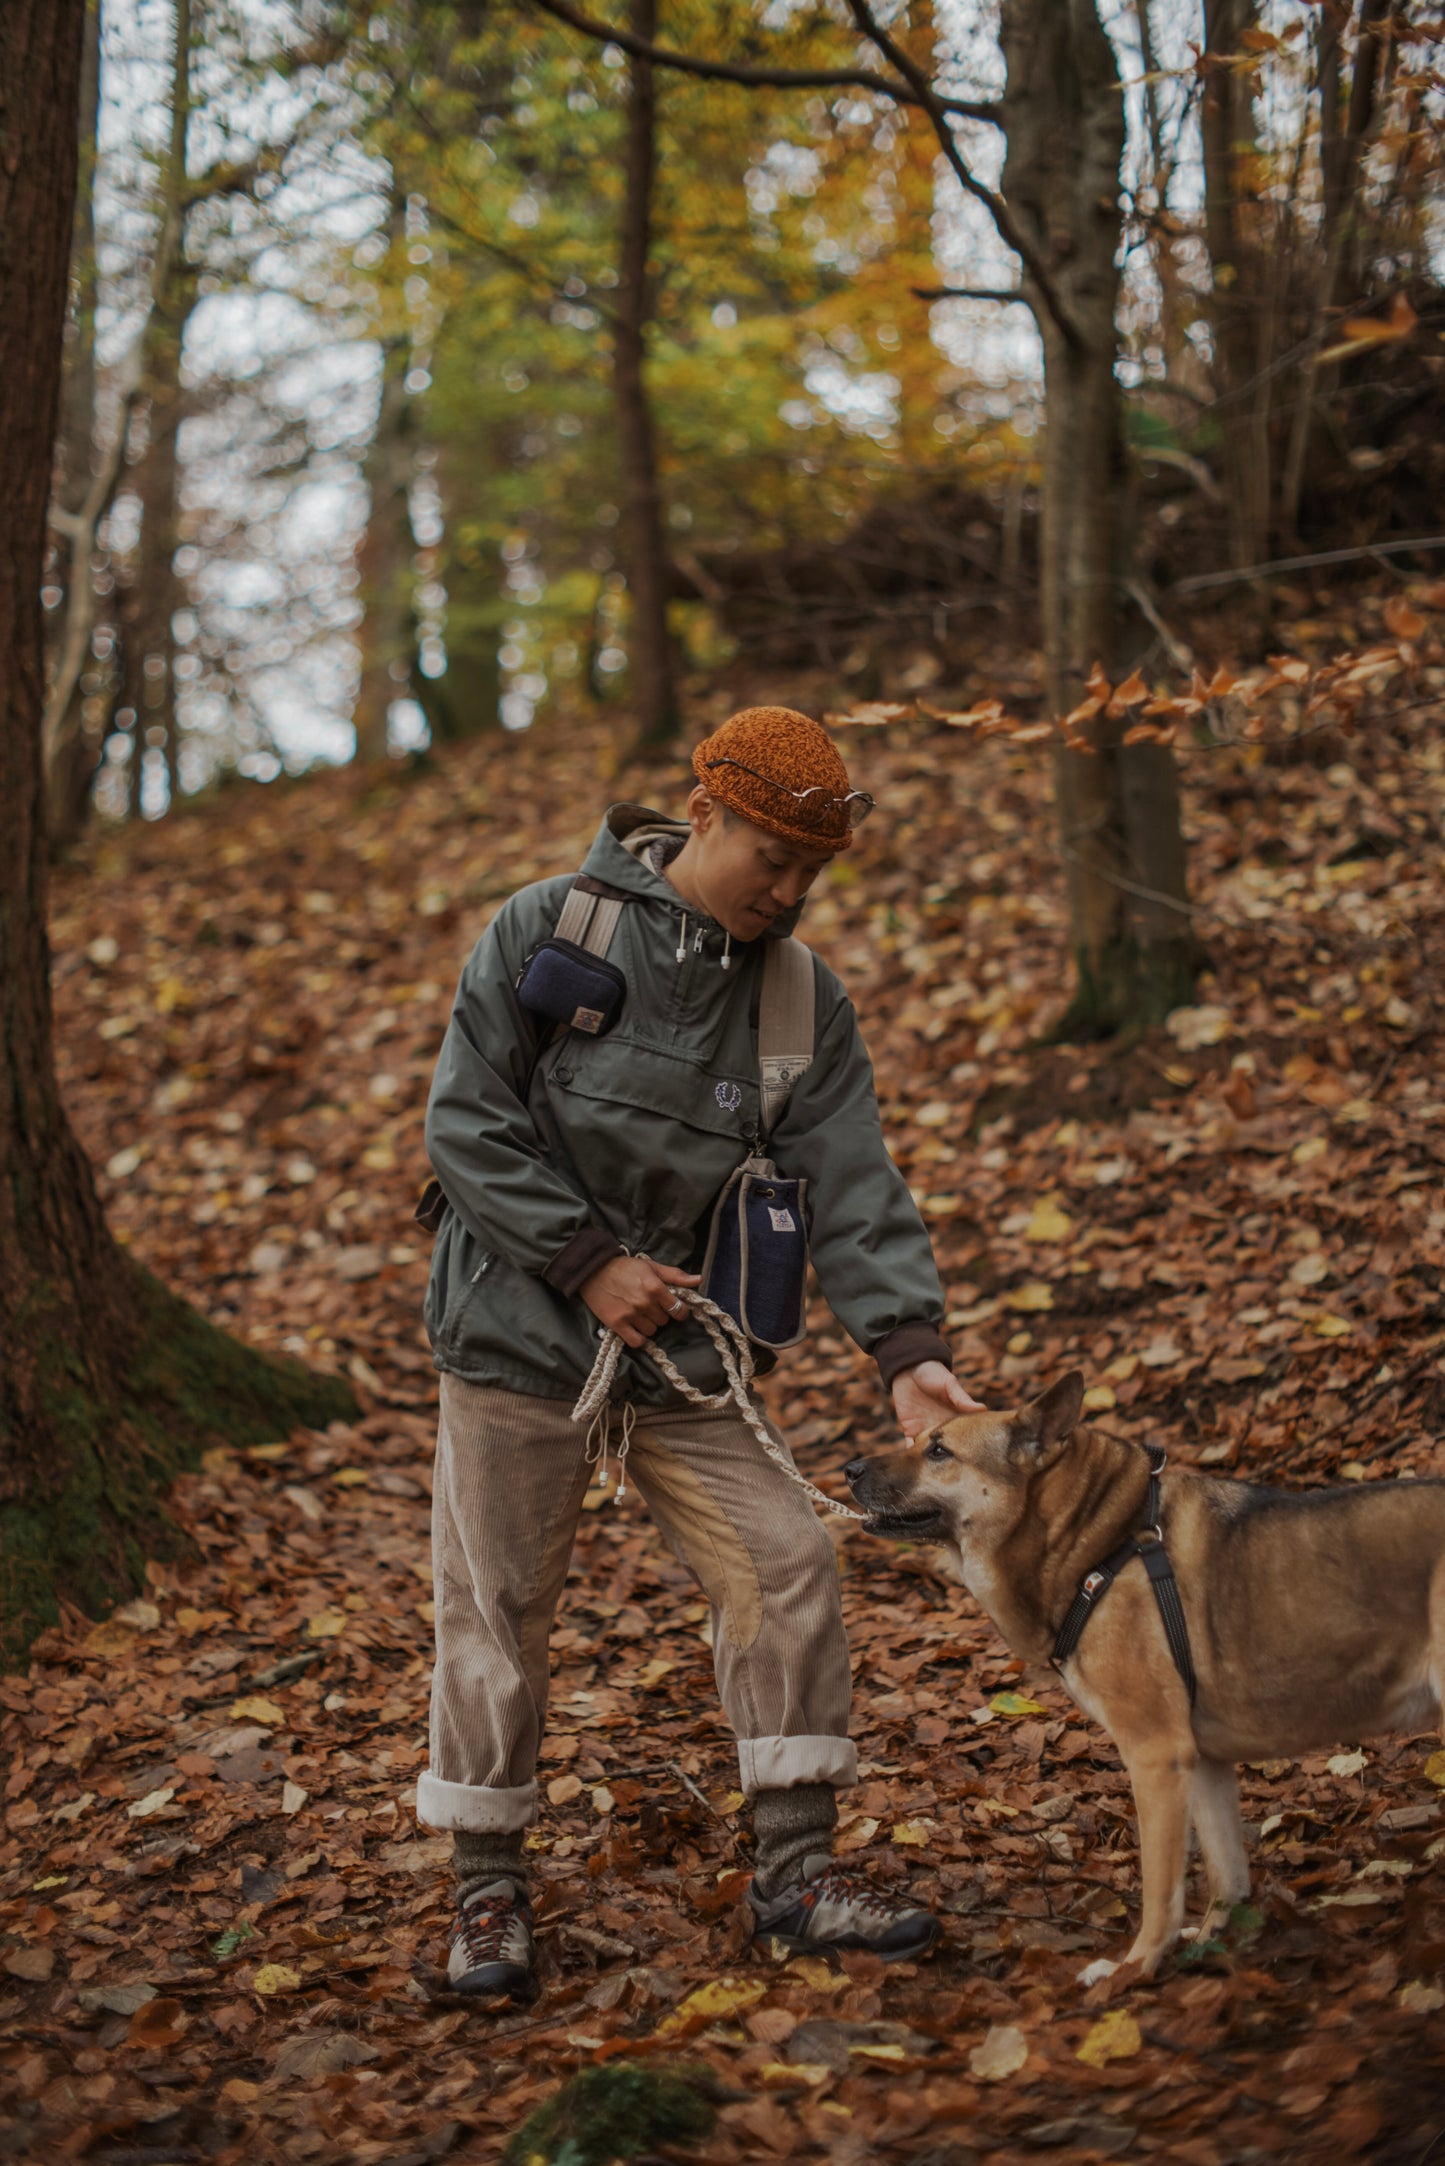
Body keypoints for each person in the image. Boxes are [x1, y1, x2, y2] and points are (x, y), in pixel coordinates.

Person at [418, 704, 980, 2001]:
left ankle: (795, 1875)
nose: (788, 892)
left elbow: (851, 1179)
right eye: (771, 859)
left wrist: (905, 1347)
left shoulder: (799, 999)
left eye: (810, 871)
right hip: (515, 1332)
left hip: (682, 1354)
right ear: (703, 814)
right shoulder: (550, 929)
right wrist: (586, 1262)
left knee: (786, 1561)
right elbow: (464, 1122)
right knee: (494, 1607)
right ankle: (486, 1892)